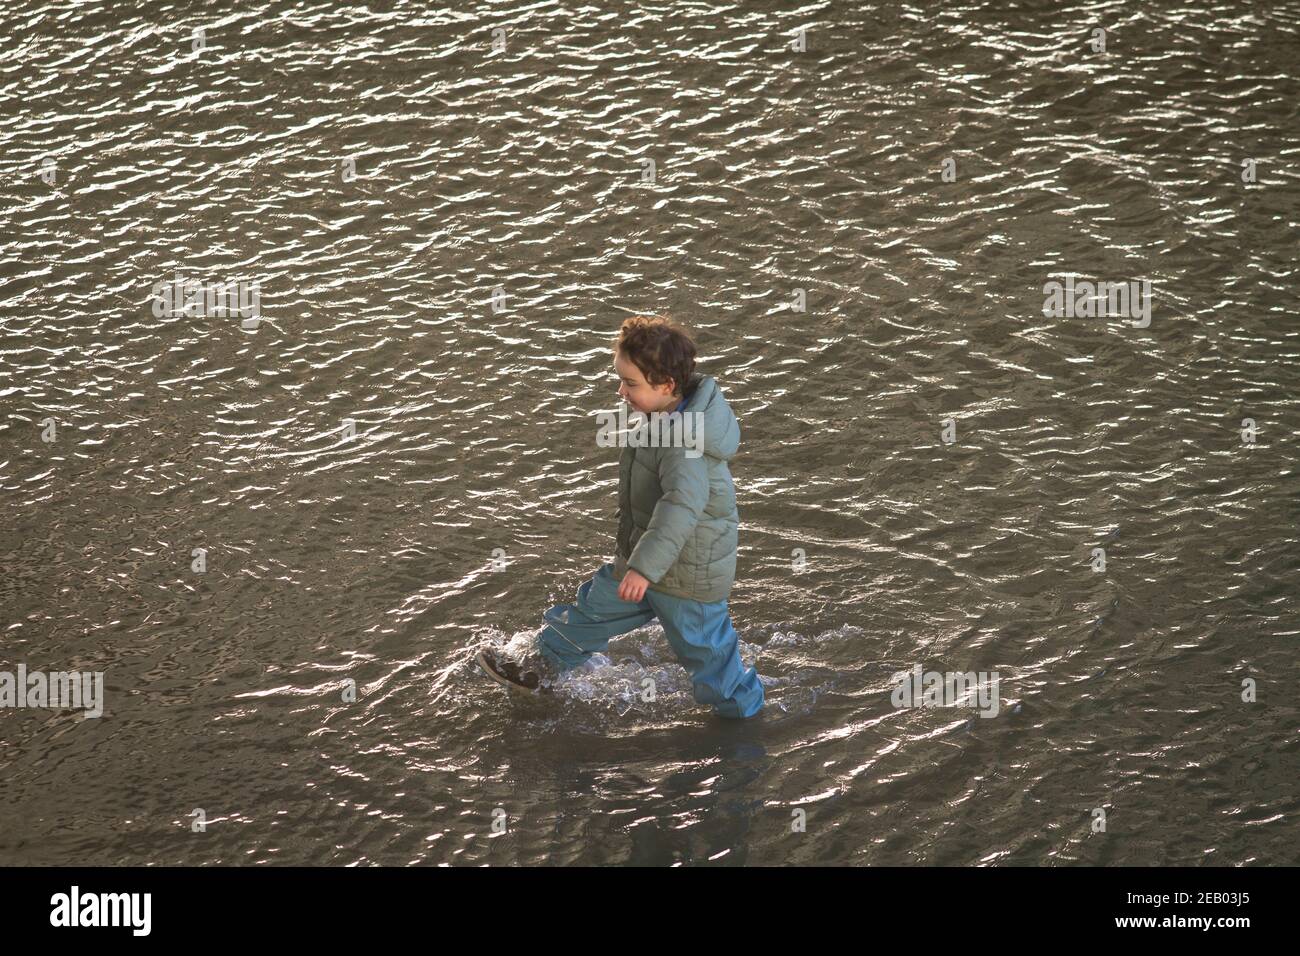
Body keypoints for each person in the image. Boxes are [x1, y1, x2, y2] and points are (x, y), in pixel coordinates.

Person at [477, 314, 765, 718]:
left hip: (687, 575)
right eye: (621, 379)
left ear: (665, 385)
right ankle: (540, 667)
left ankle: (744, 721)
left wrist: (644, 569)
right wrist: (639, 563)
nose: (621, 391)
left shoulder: (686, 443)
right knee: (594, 607)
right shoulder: (663, 415)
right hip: (645, 559)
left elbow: (680, 507)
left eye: (631, 384)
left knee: (709, 657)